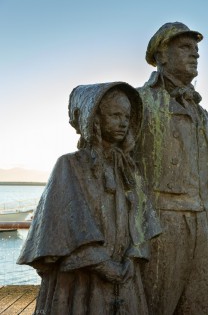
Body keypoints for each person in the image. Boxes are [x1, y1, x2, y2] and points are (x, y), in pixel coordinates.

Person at [17, 82, 162, 314]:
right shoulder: (70, 165)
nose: (123, 122)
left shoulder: (128, 169)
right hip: (83, 281)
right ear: (94, 118)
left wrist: (132, 259)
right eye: (115, 115)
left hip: (125, 276)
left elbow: (143, 220)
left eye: (126, 116)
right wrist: (103, 265)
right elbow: (67, 226)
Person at [136, 22, 208, 314]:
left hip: (202, 226)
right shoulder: (141, 102)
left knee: (200, 306)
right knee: (155, 306)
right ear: (161, 55)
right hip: (160, 225)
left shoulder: (201, 113)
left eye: (196, 49)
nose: (195, 55)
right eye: (185, 47)